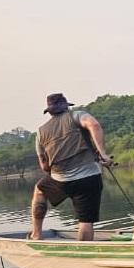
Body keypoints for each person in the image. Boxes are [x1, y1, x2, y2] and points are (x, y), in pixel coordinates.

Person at [30, 93, 111, 241]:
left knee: (40, 190)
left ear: (50, 112)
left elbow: (44, 166)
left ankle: (36, 234)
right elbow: (94, 125)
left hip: (60, 179)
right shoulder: (77, 115)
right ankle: (85, 251)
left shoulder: (41, 133)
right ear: (66, 106)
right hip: (88, 177)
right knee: (85, 221)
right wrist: (102, 154)